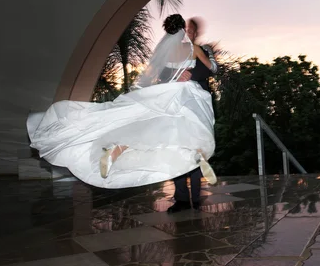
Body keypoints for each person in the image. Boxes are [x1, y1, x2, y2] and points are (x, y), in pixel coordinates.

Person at [26, 14, 218, 189]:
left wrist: (174, 77)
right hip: (188, 95)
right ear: (183, 31)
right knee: (192, 126)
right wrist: (201, 64)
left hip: (166, 94)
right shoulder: (193, 49)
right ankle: (198, 157)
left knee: (150, 126)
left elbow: (159, 75)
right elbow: (212, 68)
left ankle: (117, 149)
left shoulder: (166, 53)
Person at [168, 17, 218, 213]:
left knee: (196, 149)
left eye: (189, 30)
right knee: (178, 148)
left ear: (195, 33)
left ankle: (196, 198)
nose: (185, 33)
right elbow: (161, 73)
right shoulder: (171, 52)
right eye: (183, 30)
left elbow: (213, 69)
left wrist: (189, 73)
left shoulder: (203, 50)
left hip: (197, 105)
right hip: (176, 106)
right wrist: (175, 76)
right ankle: (181, 198)